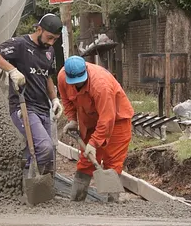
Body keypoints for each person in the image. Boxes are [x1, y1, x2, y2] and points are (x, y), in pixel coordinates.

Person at [0, 13, 64, 175]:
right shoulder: (20, 44)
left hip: (43, 108)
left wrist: (54, 99)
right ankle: (31, 184)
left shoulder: (49, 51)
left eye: (55, 39)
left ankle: (29, 188)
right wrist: (12, 70)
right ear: (39, 29)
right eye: (49, 37)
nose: (51, 42)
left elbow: (47, 76)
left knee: (45, 155)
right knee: (44, 148)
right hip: (24, 107)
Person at [57, 56, 134, 201]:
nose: (77, 84)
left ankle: (112, 203)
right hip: (90, 119)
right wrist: (73, 119)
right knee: (86, 161)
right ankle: (77, 199)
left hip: (117, 120)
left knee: (113, 161)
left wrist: (93, 143)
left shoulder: (100, 85)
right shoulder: (62, 77)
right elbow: (66, 100)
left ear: (86, 71)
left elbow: (107, 118)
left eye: (81, 81)